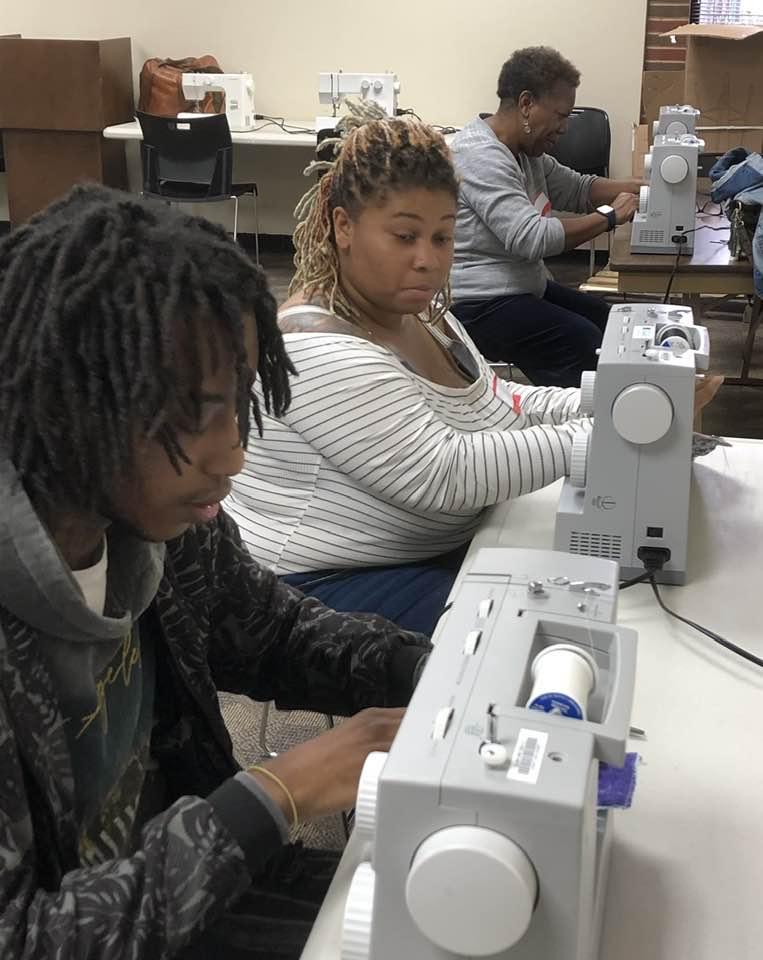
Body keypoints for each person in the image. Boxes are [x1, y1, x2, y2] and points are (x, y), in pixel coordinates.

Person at [0, 184, 432, 959]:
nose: (233, 453)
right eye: (198, 415)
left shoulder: (160, 522)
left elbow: (269, 633)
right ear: (75, 409)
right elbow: (23, 938)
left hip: (185, 877)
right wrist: (275, 794)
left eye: (239, 404)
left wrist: (424, 669)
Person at [449, 46, 642, 387]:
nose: (565, 127)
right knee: (582, 340)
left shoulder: (527, 152)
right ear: (526, 104)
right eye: (561, 115)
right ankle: (574, 426)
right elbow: (531, 238)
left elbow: (578, 188)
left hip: (520, 287)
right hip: (477, 304)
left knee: (611, 322)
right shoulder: (480, 155)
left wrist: (643, 187)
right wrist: (610, 217)